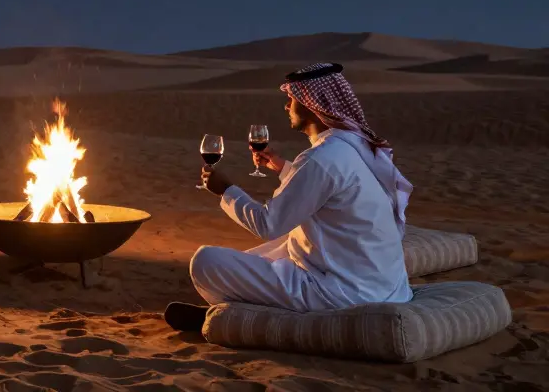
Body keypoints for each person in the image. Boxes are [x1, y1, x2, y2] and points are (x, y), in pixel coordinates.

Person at [165, 62, 415, 332]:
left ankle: (233, 316)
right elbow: (327, 189)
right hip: (384, 287)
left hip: (343, 293)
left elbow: (268, 224)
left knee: (206, 262)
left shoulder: (322, 157)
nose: (286, 106)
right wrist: (284, 168)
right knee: (275, 249)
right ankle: (234, 309)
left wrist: (226, 190)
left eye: (292, 98)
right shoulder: (353, 146)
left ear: (312, 105)